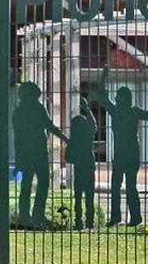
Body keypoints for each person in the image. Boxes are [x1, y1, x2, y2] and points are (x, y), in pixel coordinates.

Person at [99, 66, 148, 227]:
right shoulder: (132, 111)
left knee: (116, 187)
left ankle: (116, 217)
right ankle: (134, 217)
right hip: (132, 154)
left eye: (119, 97)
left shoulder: (116, 111)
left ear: (121, 100)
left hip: (122, 154)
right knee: (130, 187)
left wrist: (104, 77)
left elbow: (102, 96)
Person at [12, 82, 67, 228]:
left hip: (31, 151)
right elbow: (49, 126)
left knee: (29, 184)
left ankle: (31, 216)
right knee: (39, 183)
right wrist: (65, 138)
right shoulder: (36, 108)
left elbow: (18, 138)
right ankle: (33, 215)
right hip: (36, 151)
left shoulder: (21, 111)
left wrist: (19, 158)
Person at [66, 97, 97, 230]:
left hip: (79, 169)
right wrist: (86, 109)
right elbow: (93, 125)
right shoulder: (88, 137)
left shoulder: (74, 141)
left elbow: (67, 158)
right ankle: (89, 222)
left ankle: (78, 222)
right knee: (89, 197)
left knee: (78, 197)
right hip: (89, 168)